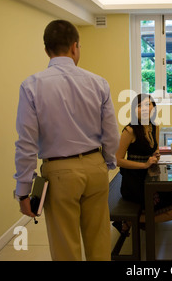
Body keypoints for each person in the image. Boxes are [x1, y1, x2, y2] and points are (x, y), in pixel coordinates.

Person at [13, 20, 120, 261]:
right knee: (99, 240)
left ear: (46, 50)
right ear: (74, 47)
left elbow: (27, 143)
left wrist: (23, 191)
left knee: (65, 247)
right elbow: (111, 132)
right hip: (95, 167)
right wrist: (108, 162)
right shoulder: (98, 82)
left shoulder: (31, 86)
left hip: (59, 172)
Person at [114, 94, 172, 235]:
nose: (144, 109)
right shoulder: (130, 130)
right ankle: (131, 220)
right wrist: (144, 165)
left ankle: (133, 221)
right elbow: (117, 160)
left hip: (151, 178)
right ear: (134, 111)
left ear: (153, 107)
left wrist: (156, 155)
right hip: (134, 181)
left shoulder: (155, 127)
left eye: (148, 104)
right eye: (139, 106)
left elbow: (155, 149)